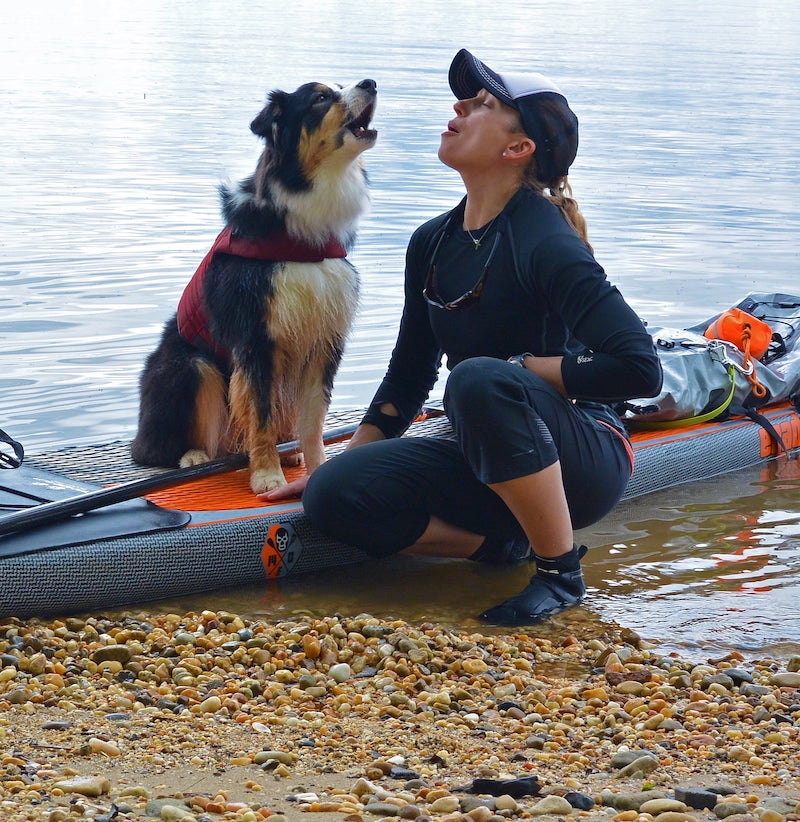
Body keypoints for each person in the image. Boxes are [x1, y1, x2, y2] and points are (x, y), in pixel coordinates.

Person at [264, 49, 662, 624]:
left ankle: (560, 573)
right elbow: (409, 372)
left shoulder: (546, 242)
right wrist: (337, 466)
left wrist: (527, 369)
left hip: (584, 459)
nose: (459, 107)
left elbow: (638, 368)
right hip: (485, 452)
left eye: (484, 105)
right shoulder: (433, 241)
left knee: (477, 379)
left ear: (517, 148)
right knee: (333, 496)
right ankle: (499, 548)